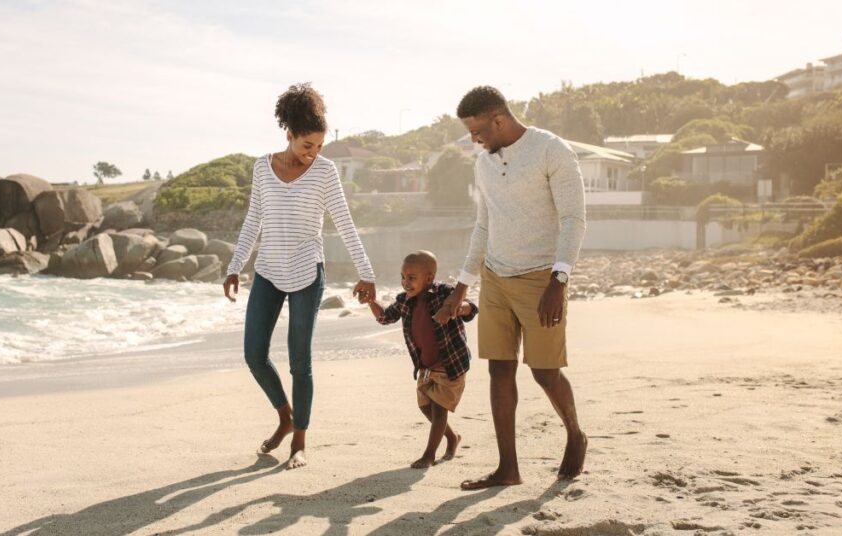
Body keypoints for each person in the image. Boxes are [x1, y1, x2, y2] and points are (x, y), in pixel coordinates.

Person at [434, 86, 588, 489]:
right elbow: (484, 225)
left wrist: (559, 279)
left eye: (477, 131)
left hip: (542, 279)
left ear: (498, 120)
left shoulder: (552, 150)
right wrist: (462, 286)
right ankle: (508, 468)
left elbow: (573, 218)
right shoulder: (484, 164)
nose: (474, 140)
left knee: (545, 373)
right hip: (496, 278)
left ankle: (575, 433)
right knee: (499, 370)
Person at [223, 83, 376, 470]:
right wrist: (234, 266)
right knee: (254, 354)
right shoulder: (263, 166)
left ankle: (300, 442)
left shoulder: (324, 172)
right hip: (269, 272)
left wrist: (366, 273)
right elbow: (253, 220)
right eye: (307, 145)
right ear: (288, 134)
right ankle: (285, 417)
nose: (314, 154)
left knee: (299, 361)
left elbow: (344, 223)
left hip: (308, 272)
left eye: (319, 146)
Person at [365, 251, 477, 469]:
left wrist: (456, 308)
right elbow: (384, 317)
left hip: (450, 365)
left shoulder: (445, 293)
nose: (405, 282)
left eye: (412, 278)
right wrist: (371, 301)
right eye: (403, 277)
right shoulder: (405, 301)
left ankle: (429, 455)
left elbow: (471, 308)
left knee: (439, 409)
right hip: (425, 367)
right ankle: (453, 438)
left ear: (429, 278)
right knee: (426, 407)